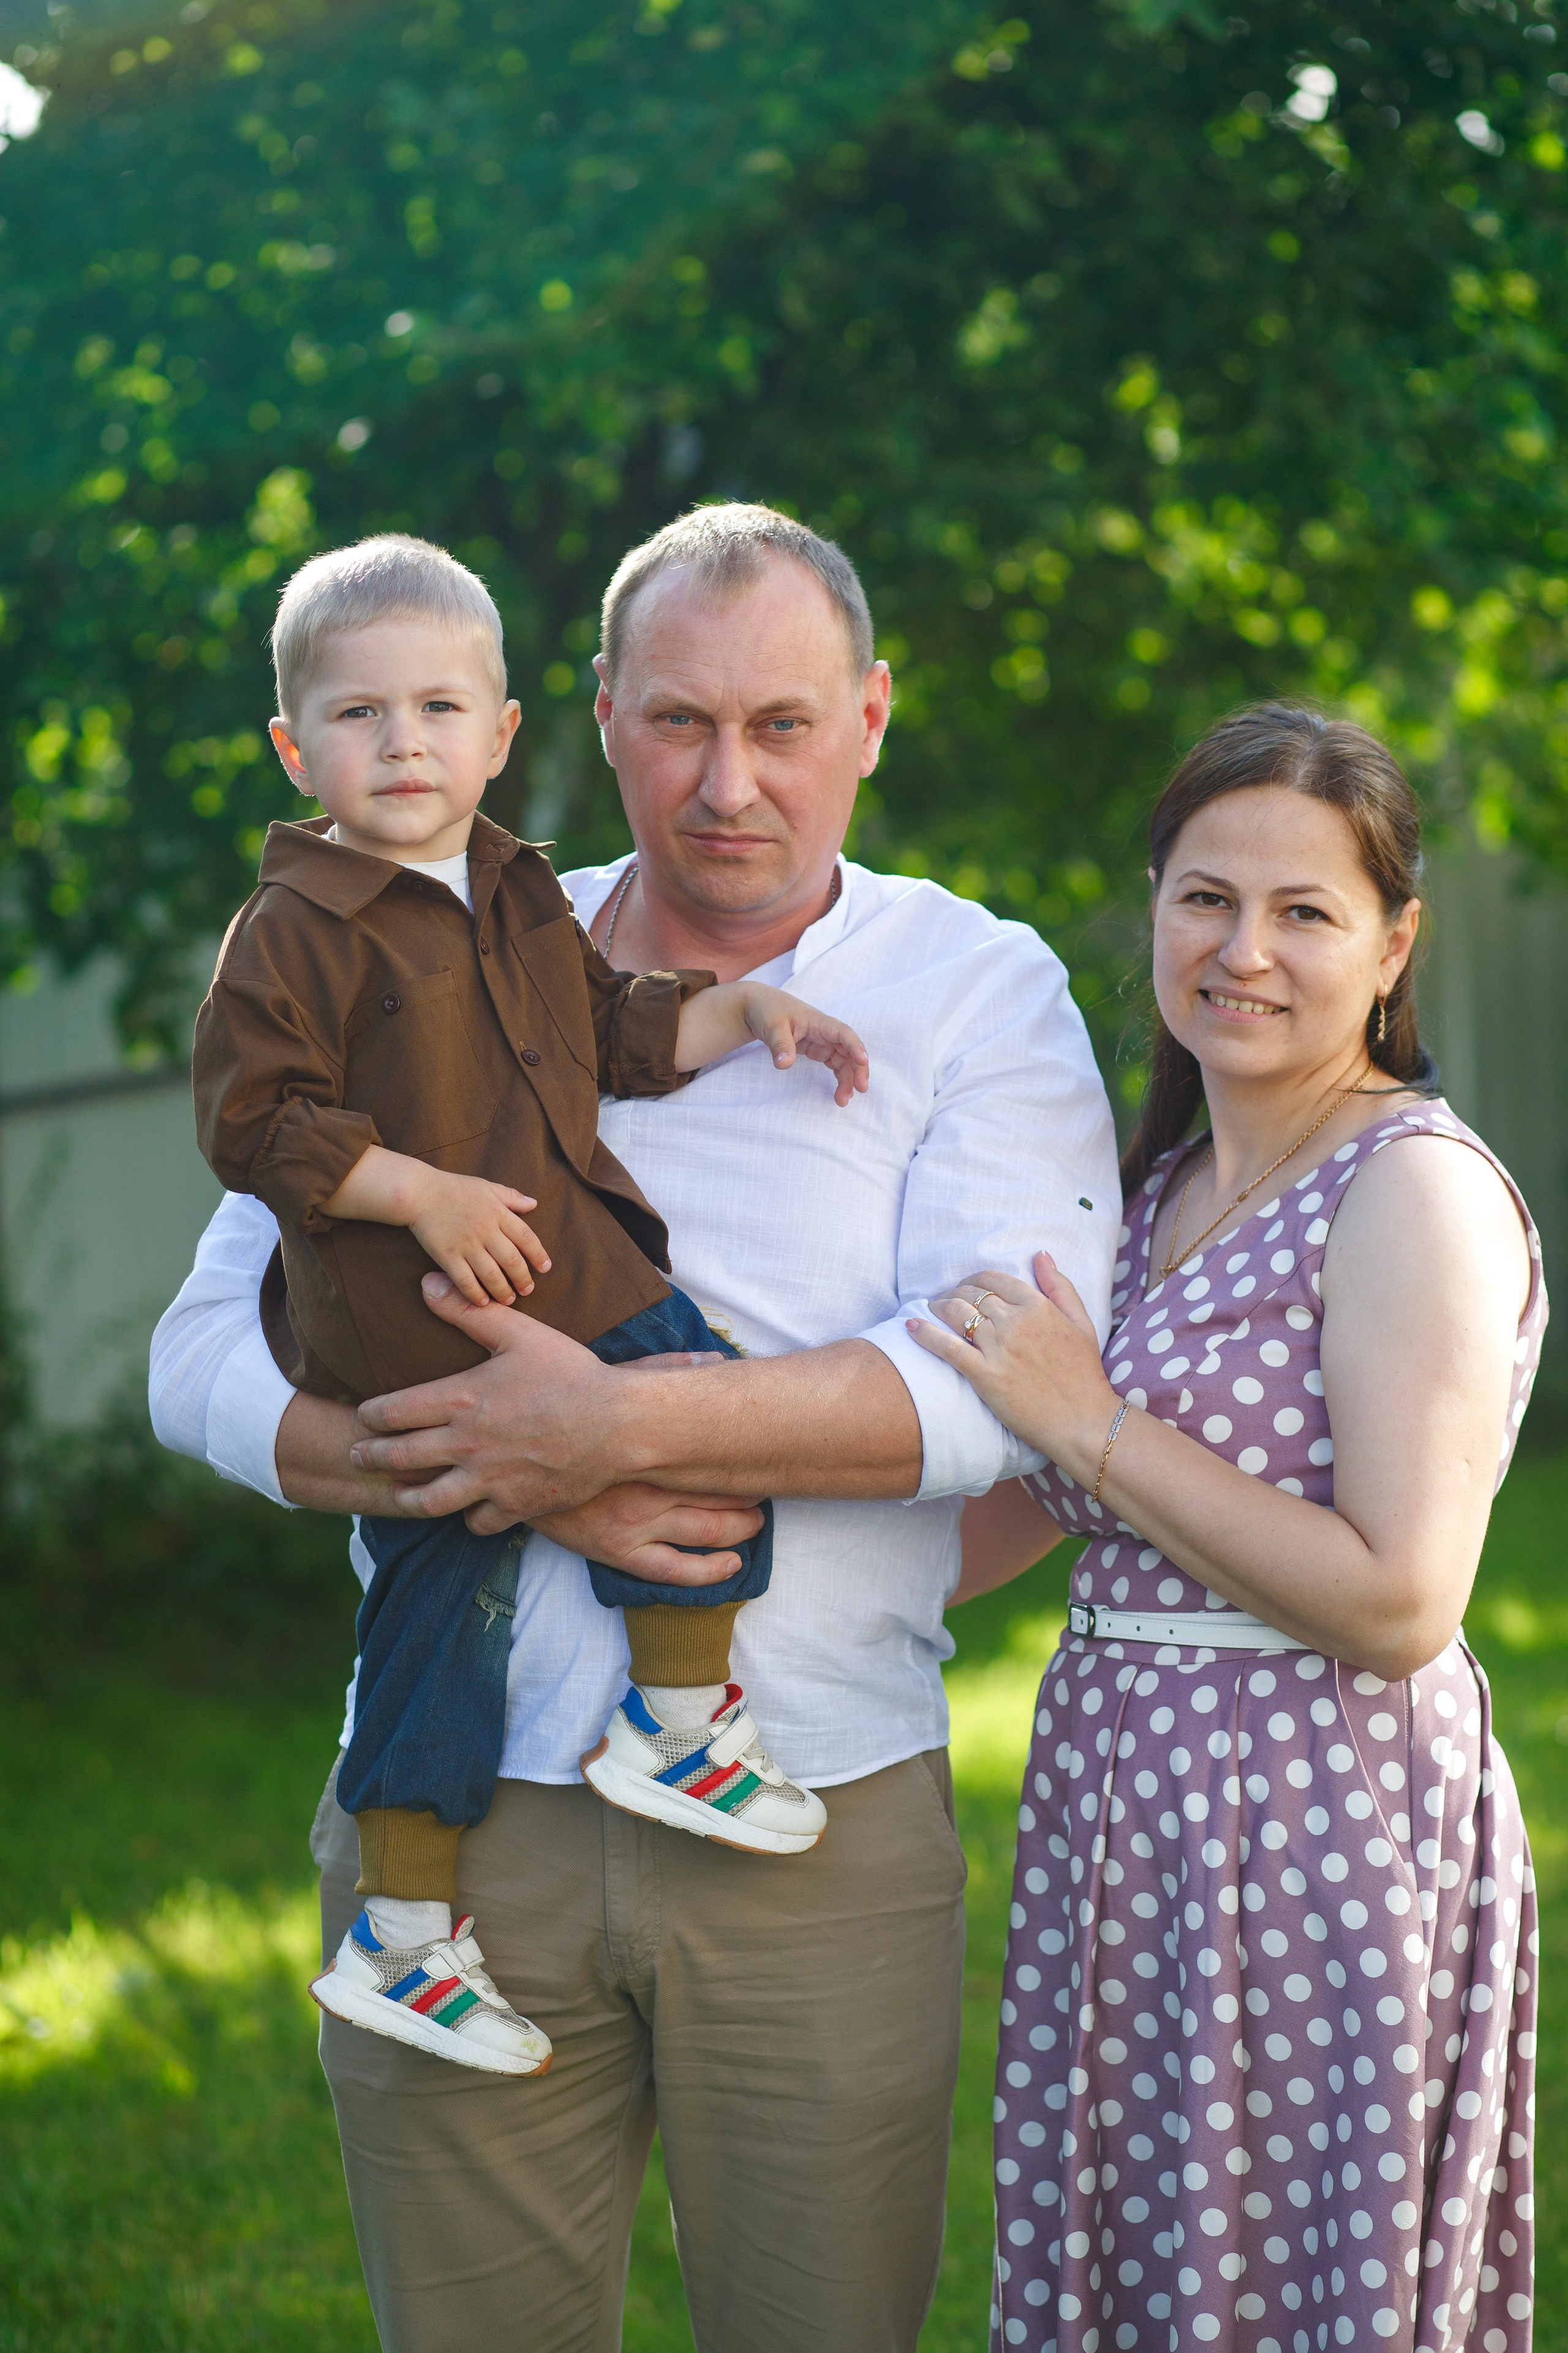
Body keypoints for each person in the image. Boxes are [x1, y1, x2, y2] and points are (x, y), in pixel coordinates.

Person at [149, 500, 1121, 2351]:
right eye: (681, 720)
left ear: (872, 718)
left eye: (782, 724)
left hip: (814, 1806)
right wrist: (463, 1466)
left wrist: (603, 1436)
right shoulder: (432, 921)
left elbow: (992, 1389)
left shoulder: (975, 988)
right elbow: (202, 1349)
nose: (730, 781)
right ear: (591, 717)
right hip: (457, 1826)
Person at [190, 533, 875, 2079]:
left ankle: (415, 1933)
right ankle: (666, 1730)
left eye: (440, 708)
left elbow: (607, 1031)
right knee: (685, 1395)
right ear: (298, 747)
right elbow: (252, 1123)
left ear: (501, 734)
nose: (405, 742)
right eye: (360, 716)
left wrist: (736, 1013)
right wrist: (414, 1190)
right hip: (418, 1308)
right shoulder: (291, 930)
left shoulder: (506, 889)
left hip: (543, 1271)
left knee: (448, 1612)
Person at [916, 705, 1540, 2353]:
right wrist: (771, 1599)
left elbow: (1402, 1598)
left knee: (1270, 2290)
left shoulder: (1413, 1188)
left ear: (1394, 944)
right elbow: (1041, 1509)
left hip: (1317, 1834)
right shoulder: (1158, 1184)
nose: (1243, 949)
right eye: (1206, 898)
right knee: (1136, 2272)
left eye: (1305, 911)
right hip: (1129, 1827)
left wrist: (1091, 1424)